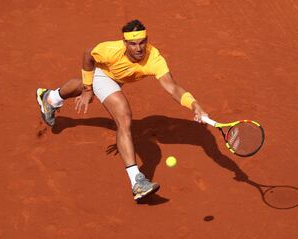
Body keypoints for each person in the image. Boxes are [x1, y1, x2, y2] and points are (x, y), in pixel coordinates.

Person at [36, 19, 208, 202]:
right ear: (125, 43)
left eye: (142, 42)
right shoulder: (110, 50)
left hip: (117, 77)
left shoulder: (154, 58)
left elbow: (172, 88)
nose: (139, 48)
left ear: (147, 40)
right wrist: (87, 90)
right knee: (124, 116)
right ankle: (137, 181)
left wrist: (194, 104)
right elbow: (88, 54)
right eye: (133, 44)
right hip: (103, 71)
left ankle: (50, 98)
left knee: (88, 85)